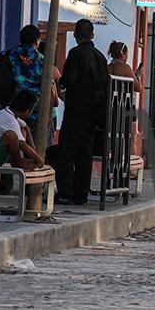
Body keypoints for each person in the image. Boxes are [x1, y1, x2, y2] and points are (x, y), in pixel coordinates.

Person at [55, 19, 108, 206]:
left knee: (67, 151)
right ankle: (81, 194)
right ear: (92, 35)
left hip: (76, 109)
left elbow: (68, 80)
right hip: (94, 113)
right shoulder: (101, 58)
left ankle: (66, 192)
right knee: (85, 153)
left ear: (76, 35)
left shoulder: (75, 54)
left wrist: (61, 83)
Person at [0, 90, 44, 171]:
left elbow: (25, 127)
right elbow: (23, 145)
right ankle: (19, 162)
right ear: (28, 111)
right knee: (11, 136)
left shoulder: (9, 113)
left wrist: (35, 154)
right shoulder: (10, 119)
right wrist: (39, 159)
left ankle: (18, 160)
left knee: (22, 131)